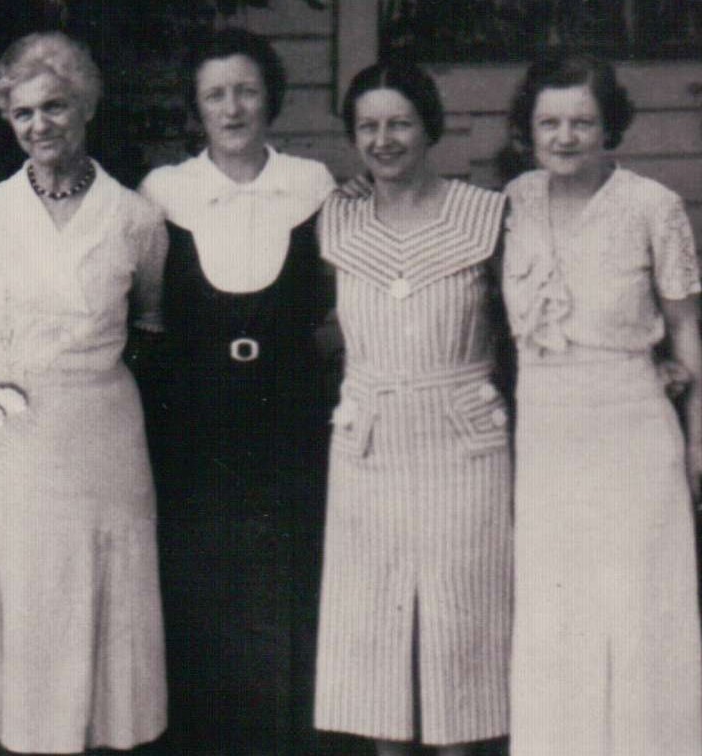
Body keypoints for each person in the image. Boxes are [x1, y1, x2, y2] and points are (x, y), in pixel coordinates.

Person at [0, 30, 169, 754]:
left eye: (55, 107)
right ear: (8, 118)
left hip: (101, 444)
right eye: (24, 112)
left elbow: (148, 328)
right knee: (24, 619)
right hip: (7, 444)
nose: (40, 125)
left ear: (86, 106)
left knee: (95, 618)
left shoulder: (136, 218)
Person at [135, 27, 337, 754]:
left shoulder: (312, 185)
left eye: (246, 91)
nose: (232, 108)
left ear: (270, 98)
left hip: (290, 425)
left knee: (288, 592)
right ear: (196, 107)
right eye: (216, 94)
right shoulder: (165, 194)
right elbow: (147, 315)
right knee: (203, 594)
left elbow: (334, 310)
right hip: (198, 431)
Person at [501, 51, 702, 755]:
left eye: (582, 122)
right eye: (549, 122)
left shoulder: (652, 206)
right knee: (558, 612)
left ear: (608, 125)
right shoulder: (513, 201)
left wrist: (699, 438)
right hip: (548, 437)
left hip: (631, 431)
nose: (565, 137)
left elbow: (684, 328)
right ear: (528, 128)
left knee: (639, 610)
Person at [311, 61, 512, 756]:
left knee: (463, 627)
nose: (384, 140)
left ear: (430, 128)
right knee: (375, 631)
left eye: (399, 123)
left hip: (465, 443)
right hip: (369, 447)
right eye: (368, 127)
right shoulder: (335, 219)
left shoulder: (486, 215)